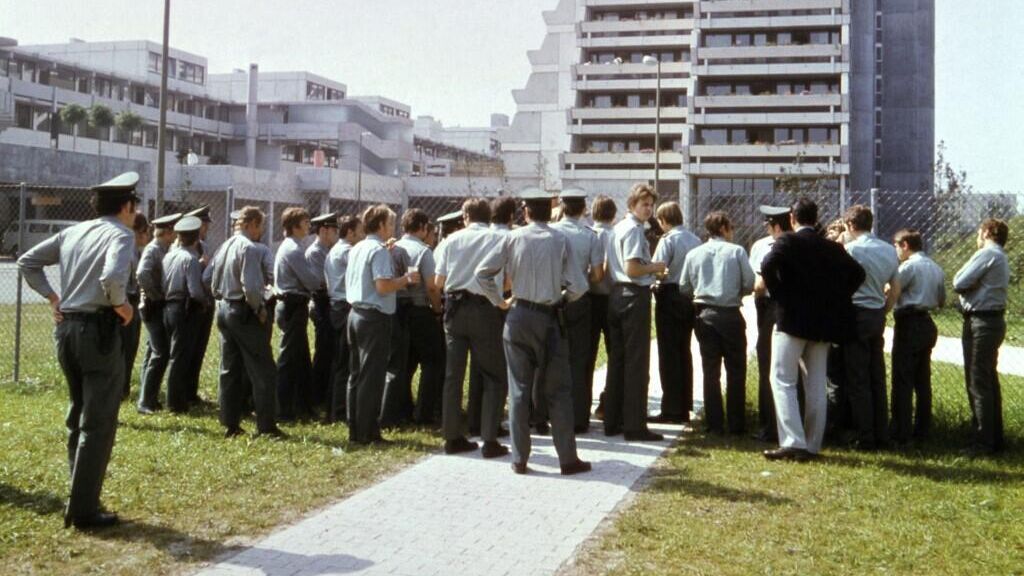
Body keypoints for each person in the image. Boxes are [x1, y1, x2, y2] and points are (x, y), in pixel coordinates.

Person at [18, 171, 139, 529]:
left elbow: (27, 261)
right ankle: (84, 509)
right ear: (127, 206)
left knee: (78, 416)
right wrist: (124, 307)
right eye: (134, 207)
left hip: (67, 329)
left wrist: (54, 297)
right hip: (98, 331)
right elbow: (113, 279)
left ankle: (80, 496)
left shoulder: (73, 232)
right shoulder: (121, 233)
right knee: (99, 423)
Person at [477, 187, 591, 475]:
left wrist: (500, 301)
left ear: (525, 212)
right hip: (550, 318)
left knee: (518, 390)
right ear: (551, 211)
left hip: (518, 315)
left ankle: (520, 459)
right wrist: (562, 299)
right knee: (559, 391)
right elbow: (579, 285)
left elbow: (482, 273)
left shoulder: (512, 238)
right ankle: (567, 458)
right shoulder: (560, 238)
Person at [760, 198, 865, 461]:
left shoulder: (786, 241)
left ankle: (793, 440)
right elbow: (857, 273)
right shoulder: (832, 247)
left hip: (792, 320)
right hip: (823, 324)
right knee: (817, 382)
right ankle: (812, 444)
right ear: (816, 219)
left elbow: (767, 265)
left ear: (792, 218)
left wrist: (780, 293)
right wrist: (837, 298)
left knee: (782, 378)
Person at [435, 198, 509, 456]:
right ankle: (489, 439)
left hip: (454, 307)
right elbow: (508, 277)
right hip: (484, 307)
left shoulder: (451, 240)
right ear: (488, 217)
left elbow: (438, 280)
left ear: (465, 216)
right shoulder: (497, 239)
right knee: (493, 374)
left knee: (453, 375)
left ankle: (452, 436)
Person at [346, 204, 421, 444]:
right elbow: (383, 286)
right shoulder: (378, 251)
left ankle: (355, 429)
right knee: (372, 377)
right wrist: (406, 279)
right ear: (380, 225)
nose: (393, 228)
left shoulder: (358, 247)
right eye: (390, 223)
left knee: (356, 375)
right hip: (374, 318)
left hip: (355, 314)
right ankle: (368, 432)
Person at [210, 206, 284, 439]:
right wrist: (259, 308)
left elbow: (209, 279)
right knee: (263, 369)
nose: (261, 231)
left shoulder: (225, 245)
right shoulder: (249, 248)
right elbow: (251, 287)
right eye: (260, 225)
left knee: (229, 368)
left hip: (223, 307)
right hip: (242, 310)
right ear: (251, 223)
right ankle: (266, 426)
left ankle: (230, 423)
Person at [680, 211, 754, 435]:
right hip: (730, 313)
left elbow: (684, 286)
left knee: (710, 370)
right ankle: (736, 423)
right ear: (723, 228)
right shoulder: (737, 251)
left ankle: (714, 423)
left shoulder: (694, 254)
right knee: (736, 369)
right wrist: (735, 291)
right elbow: (749, 283)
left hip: (705, 314)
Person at [605, 183, 667, 441]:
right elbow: (632, 269)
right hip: (633, 295)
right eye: (644, 204)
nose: (649, 209)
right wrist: (656, 267)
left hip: (617, 295)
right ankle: (634, 426)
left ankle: (613, 420)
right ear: (632, 205)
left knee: (617, 361)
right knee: (636, 364)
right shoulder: (633, 230)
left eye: (651, 205)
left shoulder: (618, 227)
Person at [842, 205, 900, 450]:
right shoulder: (888, 250)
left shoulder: (849, 250)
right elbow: (895, 288)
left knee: (858, 379)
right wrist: (884, 309)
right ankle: (882, 433)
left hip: (855, 312)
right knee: (877, 375)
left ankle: (865, 435)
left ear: (850, 225)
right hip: (877, 312)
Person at [953, 218, 1010, 456]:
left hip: (981, 322)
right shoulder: (1000, 256)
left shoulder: (987, 254)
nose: (977, 237)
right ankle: (994, 438)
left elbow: (959, 281)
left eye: (979, 232)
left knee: (978, 383)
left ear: (987, 232)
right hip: (992, 320)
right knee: (988, 381)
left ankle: (982, 443)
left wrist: (970, 285)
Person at [550, 189, 605, 433]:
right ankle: (579, 418)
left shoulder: (551, 233)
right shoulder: (590, 236)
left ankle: (551, 414)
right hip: (580, 299)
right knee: (580, 360)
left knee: (551, 360)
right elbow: (597, 274)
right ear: (584, 209)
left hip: (552, 300)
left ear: (562, 207)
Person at [388, 209, 445, 427]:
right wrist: (437, 308)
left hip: (397, 308)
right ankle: (425, 412)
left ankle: (402, 408)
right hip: (419, 309)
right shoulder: (423, 251)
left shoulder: (393, 248)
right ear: (422, 227)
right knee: (432, 362)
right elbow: (431, 286)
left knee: (405, 362)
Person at [890, 228, 946, 446]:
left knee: (903, 379)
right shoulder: (936, 268)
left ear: (905, 245)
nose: (895, 250)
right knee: (922, 381)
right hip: (927, 323)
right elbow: (941, 300)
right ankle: (923, 431)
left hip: (909, 322)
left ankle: (900, 432)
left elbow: (893, 289)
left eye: (896, 246)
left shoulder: (909, 266)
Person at [467, 196, 516, 437]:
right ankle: (492, 422)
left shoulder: (474, 236)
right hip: (497, 303)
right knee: (496, 369)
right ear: (511, 216)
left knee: (476, 367)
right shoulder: (507, 238)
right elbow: (507, 279)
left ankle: (474, 420)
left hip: (469, 301)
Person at [649, 201, 700, 425]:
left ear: (663, 220)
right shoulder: (695, 239)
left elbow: (658, 269)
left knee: (668, 354)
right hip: (689, 297)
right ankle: (685, 405)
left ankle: (671, 408)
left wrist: (654, 279)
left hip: (670, 295)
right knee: (684, 351)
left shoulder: (667, 240)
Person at [748, 205, 794, 441]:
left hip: (770, 307)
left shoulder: (763, 246)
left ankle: (769, 426)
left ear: (774, 226)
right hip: (796, 307)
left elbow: (758, 285)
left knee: (768, 365)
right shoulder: (801, 244)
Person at [274, 207, 322, 421]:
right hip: (293, 305)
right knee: (288, 359)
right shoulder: (293, 250)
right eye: (305, 223)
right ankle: (282, 408)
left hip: (294, 304)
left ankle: (303, 406)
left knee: (301, 359)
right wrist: (319, 280)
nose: (308, 226)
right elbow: (311, 281)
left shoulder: (292, 247)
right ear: (294, 227)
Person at [162, 216, 211, 413]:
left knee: (176, 354)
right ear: (196, 238)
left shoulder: (170, 255)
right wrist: (206, 302)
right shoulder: (190, 259)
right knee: (181, 356)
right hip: (185, 309)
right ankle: (175, 402)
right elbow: (195, 291)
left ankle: (176, 397)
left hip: (169, 306)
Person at [136, 212, 181, 414]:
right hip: (152, 307)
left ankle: (148, 398)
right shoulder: (153, 250)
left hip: (157, 305)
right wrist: (155, 294)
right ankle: (145, 402)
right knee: (160, 353)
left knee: (152, 351)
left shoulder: (164, 248)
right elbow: (142, 274)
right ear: (168, 232)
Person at [324, 215, 363, 424]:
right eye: (360, 231)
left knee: (339, 361)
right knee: (344, 362)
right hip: (344, 307)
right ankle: (339, 411)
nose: (363, 236)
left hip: (336, 306)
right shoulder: (348, 251)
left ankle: (334, 407)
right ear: (350, 232)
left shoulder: (335, 250)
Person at [307, 212, 340, 414]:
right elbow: (321, 282)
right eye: (333, 230)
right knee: (323, 349)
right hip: (321, 303)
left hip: (328, 302)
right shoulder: (316, 252)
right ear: (323, 230)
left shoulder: (327, 250)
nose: (335, 234)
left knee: (329, 349)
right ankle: (317, 394)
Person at [588, 195, 616, 419]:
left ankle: (581, 401)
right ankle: (608, 402)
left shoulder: (588, 234)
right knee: (614, 353)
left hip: (589, 297)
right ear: (613, 214)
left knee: (586, 354)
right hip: (612, 297)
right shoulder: (616, 235)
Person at [183, 205, 213, 405]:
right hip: (190, 303)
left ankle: (191, 391)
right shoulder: (186, 248)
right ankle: (183, 392)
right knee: (187, 350)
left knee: (199, 349)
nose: (207, 227)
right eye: (204, 224)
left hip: (205, 303)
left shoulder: (204, 246)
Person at [122, 212, 150, 400]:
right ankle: (121, 388)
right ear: (140, 231)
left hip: (129, 299)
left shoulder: (134, 250)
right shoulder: (129, 250)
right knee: (126, 347)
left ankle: (122, 387)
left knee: (129, 348)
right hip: (126, 301)